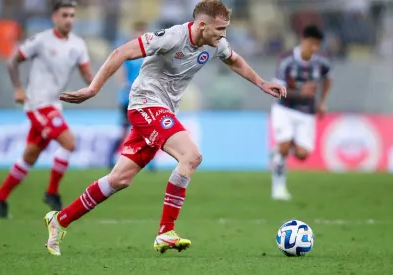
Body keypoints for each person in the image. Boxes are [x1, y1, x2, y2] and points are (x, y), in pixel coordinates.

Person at [44, 0, 286, 256]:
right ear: (202, 25)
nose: (223, 35)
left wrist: (261, 83)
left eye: (225, 30)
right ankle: (165, 231)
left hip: (163, 110)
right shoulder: (171, 37)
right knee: (191, 156)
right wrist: (93, 88)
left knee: (119, 179)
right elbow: (120, 53)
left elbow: (234, 60)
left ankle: (60, 220)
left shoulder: (215, 43)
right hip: (145, 104)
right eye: (220, 29)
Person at [0, 0, 94, 218]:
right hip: (37, 104)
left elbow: (87, 75)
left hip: (54, 105)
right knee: (69, 142)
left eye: (72, 15)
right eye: (64, 15)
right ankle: (52, 192)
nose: (68, 20)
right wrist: (18, 89)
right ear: (54, 17)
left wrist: (97, 84)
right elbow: (13, 61)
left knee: (30, 156)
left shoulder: (78, 45)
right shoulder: (41, 41)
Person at [270, 25, 332, 200]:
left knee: (302, 154)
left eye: (317, 45)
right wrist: (300, 93)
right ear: (303, 40)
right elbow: (276, 89)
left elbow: (328, 79)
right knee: (284, 145)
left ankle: (280, 151)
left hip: (306, 112)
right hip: (285, 108)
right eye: (312, 44)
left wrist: (322, 102)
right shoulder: (286, 59)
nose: (314, 48)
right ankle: (279, 187)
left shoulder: (322, 61)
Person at [109, 21, 156, 171]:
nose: (140, 35)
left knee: (148, 130)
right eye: (138, 32)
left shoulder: (150, 52)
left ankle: (150, 163)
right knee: (124, 130)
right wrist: (124, 84)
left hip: (145, 98)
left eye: (143, 32)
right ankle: (109, 157)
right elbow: (120, 71)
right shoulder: (128, 50)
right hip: (128, 97)